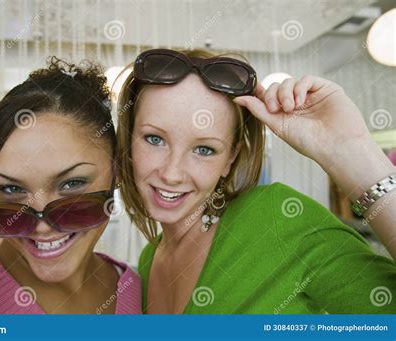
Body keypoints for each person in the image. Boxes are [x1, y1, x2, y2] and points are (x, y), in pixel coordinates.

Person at [116, 48, 396, 314]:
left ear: (230, 159)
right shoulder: (148, 261)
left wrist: (351, 151)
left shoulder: (276, 218)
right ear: (129, 139)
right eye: (154, 139)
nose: (172, 173)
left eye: (204, 149)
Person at [0, 58, 141, 314]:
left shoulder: (136, 291)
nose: (41, 225)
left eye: (72, 183)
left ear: (118, 172)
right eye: (13, 189)